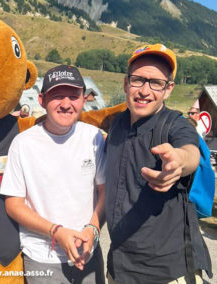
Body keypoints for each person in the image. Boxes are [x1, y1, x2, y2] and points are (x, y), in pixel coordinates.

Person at [105, 44, 212, 284]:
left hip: (165, 273)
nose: (144, 90)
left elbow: (190, 153)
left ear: (168, 89)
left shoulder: (175, 124)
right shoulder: (116, 126)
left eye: (156, 83)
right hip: (118, 269)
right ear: (125, 83)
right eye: (138, 80)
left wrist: (178, 162)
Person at [0, 65, 106, 284]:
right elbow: (13, 204)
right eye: (57, 96)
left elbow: (104, 191)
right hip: (41, 258)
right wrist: (56, 232)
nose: (66, 104)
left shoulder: (94, 137)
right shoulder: (23, 143)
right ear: (41, 100)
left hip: (88, 255)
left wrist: (93, 229)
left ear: (84, 99)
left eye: (73, 96)